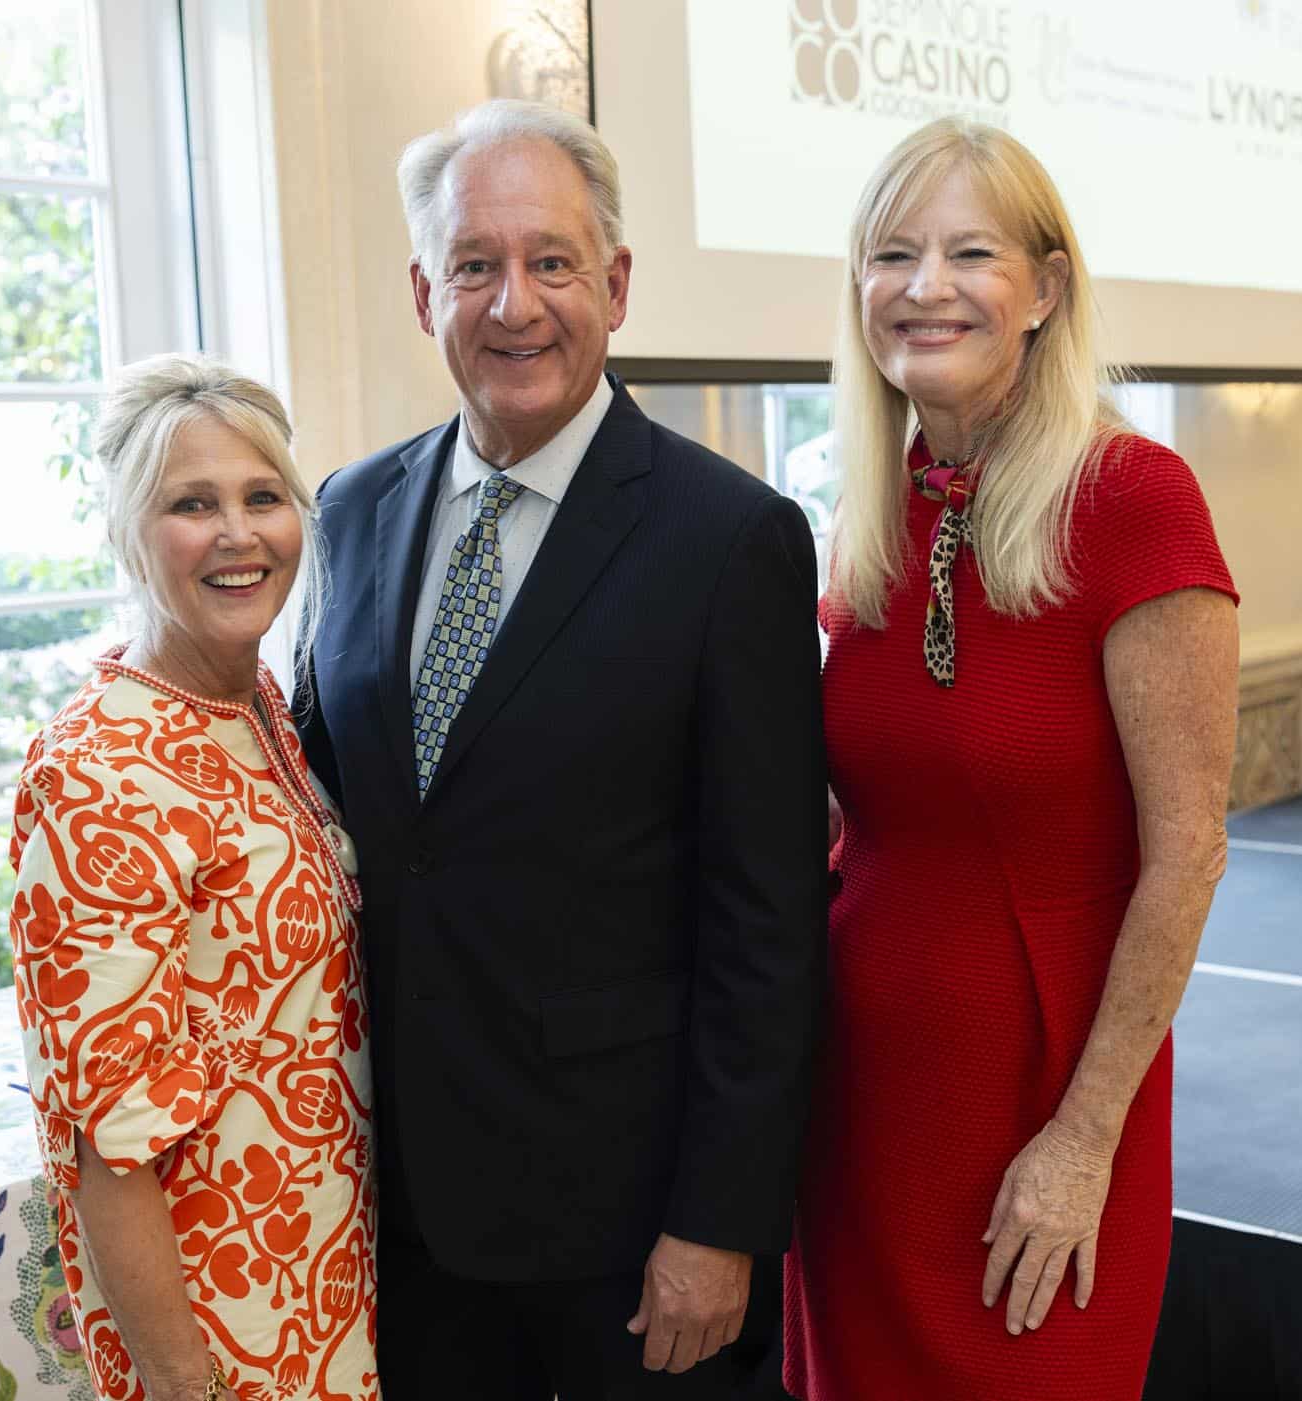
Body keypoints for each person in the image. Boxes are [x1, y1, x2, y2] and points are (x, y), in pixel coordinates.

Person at [297, 99, 828, 1399]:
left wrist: (720, 1222)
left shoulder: (730, 541)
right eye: (475, 265)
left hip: (631, 1235)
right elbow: (334, 809)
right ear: (427, 291)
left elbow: (769, 921)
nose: (514, 303)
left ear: (618, 284)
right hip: (397, 1214)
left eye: (551, 261)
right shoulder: (353, 509)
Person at [783, 120, 1240, 1399]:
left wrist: (1084, 1139)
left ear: (1044, 289)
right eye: (891, 254)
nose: (924, 287)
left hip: (1046, 1103)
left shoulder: (1135, 499)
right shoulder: (867, 511)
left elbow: (1190, 849)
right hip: (864, 1103)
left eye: (968, 252)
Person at [9, 354, 376, 1401]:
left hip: (332, 1269)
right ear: (129, 530)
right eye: (191, 504)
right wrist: (182, 1382)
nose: (237, 533)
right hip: (221, 1321)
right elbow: (105, 1139)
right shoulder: (96, 769)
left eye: (264, 497)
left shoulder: (258, 705)